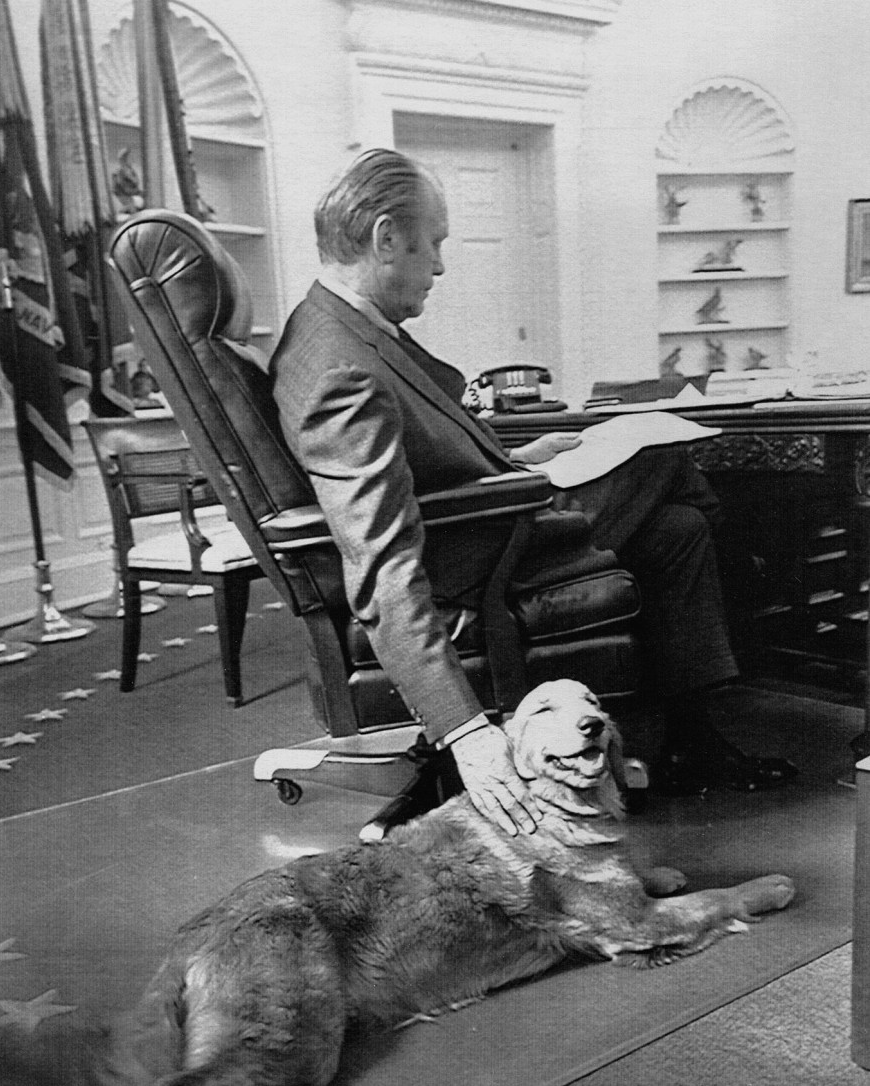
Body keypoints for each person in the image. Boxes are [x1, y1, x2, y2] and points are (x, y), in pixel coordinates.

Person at [269, 148, 795, 835]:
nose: (441, 265)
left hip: (483, 522)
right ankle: (756, 630)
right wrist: (461, 730)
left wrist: (515, 459)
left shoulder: (334, 330)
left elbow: (412, 466)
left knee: (677, 531)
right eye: (435, 243)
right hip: (481, 562)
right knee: (672, 459)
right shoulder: (344, 366)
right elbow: (382, 564)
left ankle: (694, 734)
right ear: (386, 237)